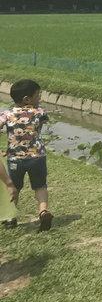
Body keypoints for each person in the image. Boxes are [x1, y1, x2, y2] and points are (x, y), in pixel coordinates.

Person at [0, 79, 53, 231]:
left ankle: (11, 218)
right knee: (40, 186)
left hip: (16, 159)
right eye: (38, 96)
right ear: (27, 99)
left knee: (14, 187)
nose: (39, 99)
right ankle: (43, 211)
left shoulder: (7, 114)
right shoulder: (40, 112)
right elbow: (39, 128)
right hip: (38, 157)